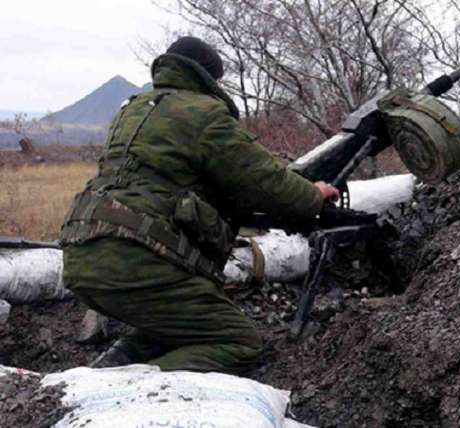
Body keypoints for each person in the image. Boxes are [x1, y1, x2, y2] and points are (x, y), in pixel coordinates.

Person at [60, 36, 340, 374]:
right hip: (135, 261)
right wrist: (313, 195)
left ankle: (109, 368)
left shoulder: (132, 109)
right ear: (209, 78)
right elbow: (267, 182)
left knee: (174, 328)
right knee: (239, 342)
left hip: (80, 252)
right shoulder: (205, 114)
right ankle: (131, 390)